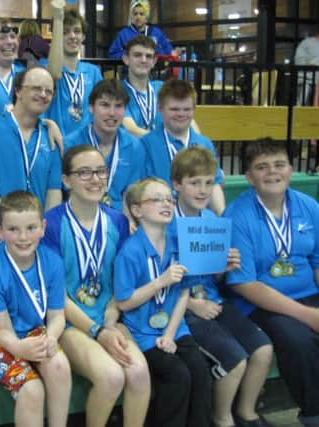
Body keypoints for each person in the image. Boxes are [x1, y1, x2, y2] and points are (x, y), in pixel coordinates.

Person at [43, 145, 151, 427]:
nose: (95, 179)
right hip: (70, 322)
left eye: (100, 171)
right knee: (112, 376)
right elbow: (56, 295)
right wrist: (96, 330)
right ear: (66, 181)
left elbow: (122, 282)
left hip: (109, 316)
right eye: (84, 173)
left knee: (138, 373)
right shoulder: (51, 225)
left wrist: (110, 322)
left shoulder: (117, 220)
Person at [171, 147, 274, 427]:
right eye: (195, 183)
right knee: (234, 360)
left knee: (263, 349)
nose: (203, 190)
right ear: (177, 184)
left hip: (213, 300)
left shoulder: (213, 222)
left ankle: (247, 413)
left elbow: (214, 279)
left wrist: (223, 268)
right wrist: (192, 304)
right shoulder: (165, 223)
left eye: (209, 182)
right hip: (181, 306)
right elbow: (154, 279)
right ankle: (222, 418)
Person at [224, 138, 319, 427]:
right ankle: (313, 415)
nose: (272, 172)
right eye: (262, 167)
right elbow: (244, 285)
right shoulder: (237, 216)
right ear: (250, 178)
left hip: (308, 293)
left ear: (291, 169)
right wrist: (308, 315)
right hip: (260, 302)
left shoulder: (309, 206)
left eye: (279, 164)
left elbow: (317, 262)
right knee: (299, 341)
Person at [115, 177, 212, 427]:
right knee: (177, 376)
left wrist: (170, 334)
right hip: (143, 333)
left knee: (200, 373)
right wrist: (160, 282)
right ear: (137, 210)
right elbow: (124, 303)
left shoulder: (179, 242)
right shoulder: (130, 251)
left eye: (169, 198)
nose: (166, 203)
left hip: (175, 328)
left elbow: (183, 293)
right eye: (156, 199)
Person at [0, 190, 71, 427]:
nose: (23, 237)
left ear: (43, 227)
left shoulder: (52, 262)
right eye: (13, 230)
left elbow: (57, 315)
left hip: (36, 332)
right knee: (32, 390)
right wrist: (19, 348)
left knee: (59, 366)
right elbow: (2, 330)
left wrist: (52, 337)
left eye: (30, 228)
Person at [0, 66, 62, 239]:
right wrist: (13, 227)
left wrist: (42, 230)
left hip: (39, 235)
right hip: (3, 234)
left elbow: (54, 190)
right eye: (37, 88)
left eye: (49, 91)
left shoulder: (51, 136)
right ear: (18, 91)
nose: (43, 94)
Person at [141, 78, 225, 215]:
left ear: (194, 109)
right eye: (174, 109)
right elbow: (143, 190)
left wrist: (221, 215)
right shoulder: (145, 144)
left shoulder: (205, 144)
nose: (181, 114)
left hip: (198, 222)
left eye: (186, 109)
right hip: (161, 219)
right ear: (160, 108)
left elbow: (214, 186)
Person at [64, 79, 146, 213]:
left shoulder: (135, 147)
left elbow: (130, 194)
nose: (112, 113)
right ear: (91, 107)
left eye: (118, 106)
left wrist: (125, 224)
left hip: (119, 217)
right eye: (105, 105)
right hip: (80, 215)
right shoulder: (71, 144)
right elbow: (68, 190)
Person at [44, 4, 103, 138]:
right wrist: (58, 19)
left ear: (83, 36)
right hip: (57, 144)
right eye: (65, 32)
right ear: (57, 35)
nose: (72, 36)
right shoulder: (46, 67)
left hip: (88, 145)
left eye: (77, 31)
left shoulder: (93, 72)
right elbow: (54, 74)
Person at [120, 35, 164, 137]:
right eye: (137, 55)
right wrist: (163, 143)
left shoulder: (163, 88)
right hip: (133, 151)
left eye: (148, 56)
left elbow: (187, 120)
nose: (143, 60)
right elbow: (130, 129)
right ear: (126, 59)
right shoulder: (116, 91)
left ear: (154, 62)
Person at [108, 0, 173, 60]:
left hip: (154, 71)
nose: (138, 17)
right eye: (135, 14)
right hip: (130, 71)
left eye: (141, 14)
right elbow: (112, 54)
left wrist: (154, 52)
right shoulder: (123, 34)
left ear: (146, 17)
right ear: (131, 16)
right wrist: (129, 53)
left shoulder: (156, 32)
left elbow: (169, 51)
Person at [294, 27, 319, 106]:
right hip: (307, 80)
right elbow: (299, 62)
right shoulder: (306, 43)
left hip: (317, 82)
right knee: (302, 104)